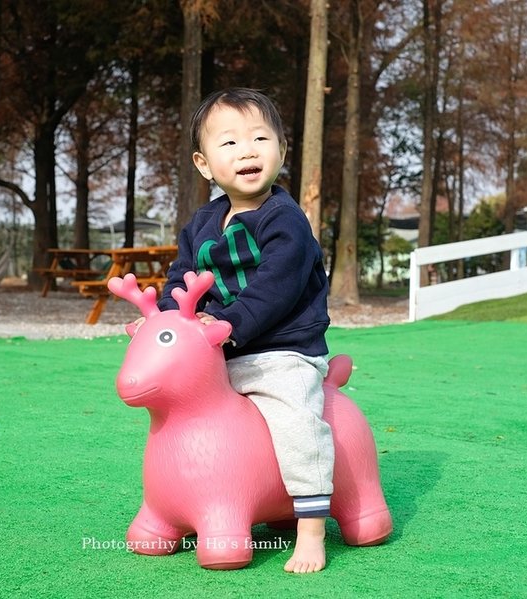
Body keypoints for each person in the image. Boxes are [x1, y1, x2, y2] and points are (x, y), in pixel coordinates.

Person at [156, 87, 334, 573]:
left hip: (282, 351)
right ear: (204, 163)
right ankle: (187, 501)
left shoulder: (286, 221)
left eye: (260, 138)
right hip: (221, 351)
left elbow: (276, 287)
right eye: (229, 143)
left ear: (280, 151)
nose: (247, 150)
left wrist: (228, 324)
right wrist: (168, 319)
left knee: (298, 422)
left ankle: (312, 527)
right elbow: (181, 279)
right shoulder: (202, 223)